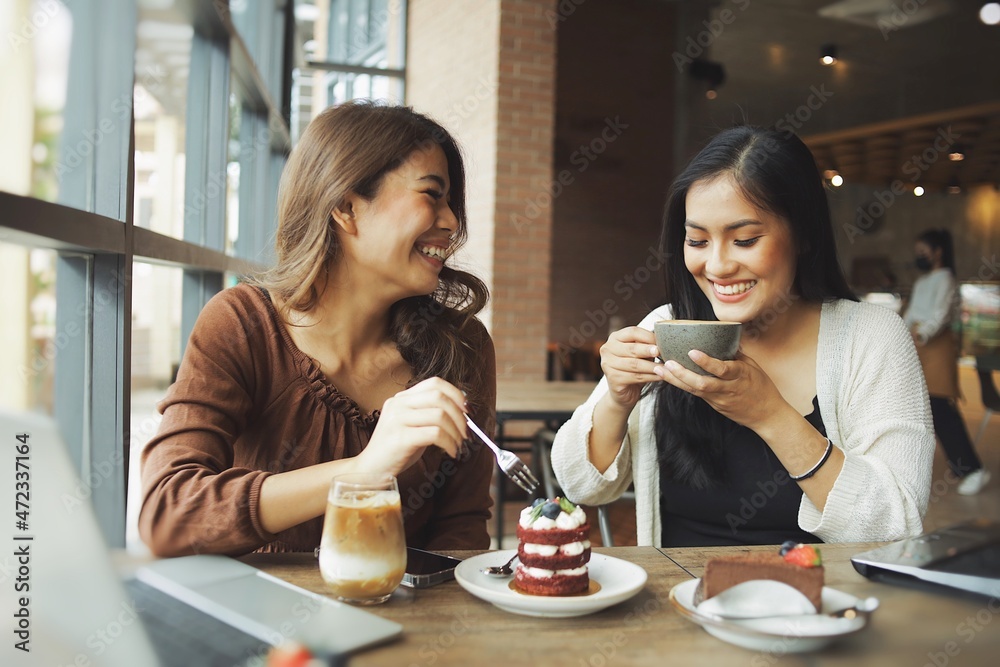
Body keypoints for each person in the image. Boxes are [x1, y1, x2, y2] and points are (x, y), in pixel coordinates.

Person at [139, 101, 496, 557]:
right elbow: (168, 515)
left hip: (407, 623)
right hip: (266, 623)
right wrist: (363, 470)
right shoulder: (242, 326)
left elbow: (461, 529)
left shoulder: (461, 347)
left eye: (450, 202)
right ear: (346, 207)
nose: (451, 222)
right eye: (432, 194)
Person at [551, 126, 934, 547]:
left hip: (814, 604)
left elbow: (897, 525)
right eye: (697, 240)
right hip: (678, 604)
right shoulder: (667, 327)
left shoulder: (870, 338)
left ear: (804, 235)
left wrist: (770, 415)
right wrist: (616, 402)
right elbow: (581, 486)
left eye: (745, 240)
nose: (717, 265)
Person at [903, 229, 990, 495]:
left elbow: (939, 315)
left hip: (936, 348)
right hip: (918, 346)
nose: (919, 257)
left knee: (941, 409)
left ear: (937, 251)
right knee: (920, 412)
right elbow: (911, 314)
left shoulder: (946, 279)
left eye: (923, 252)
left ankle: (972, 469)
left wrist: (923, 332)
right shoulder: (922, 282)